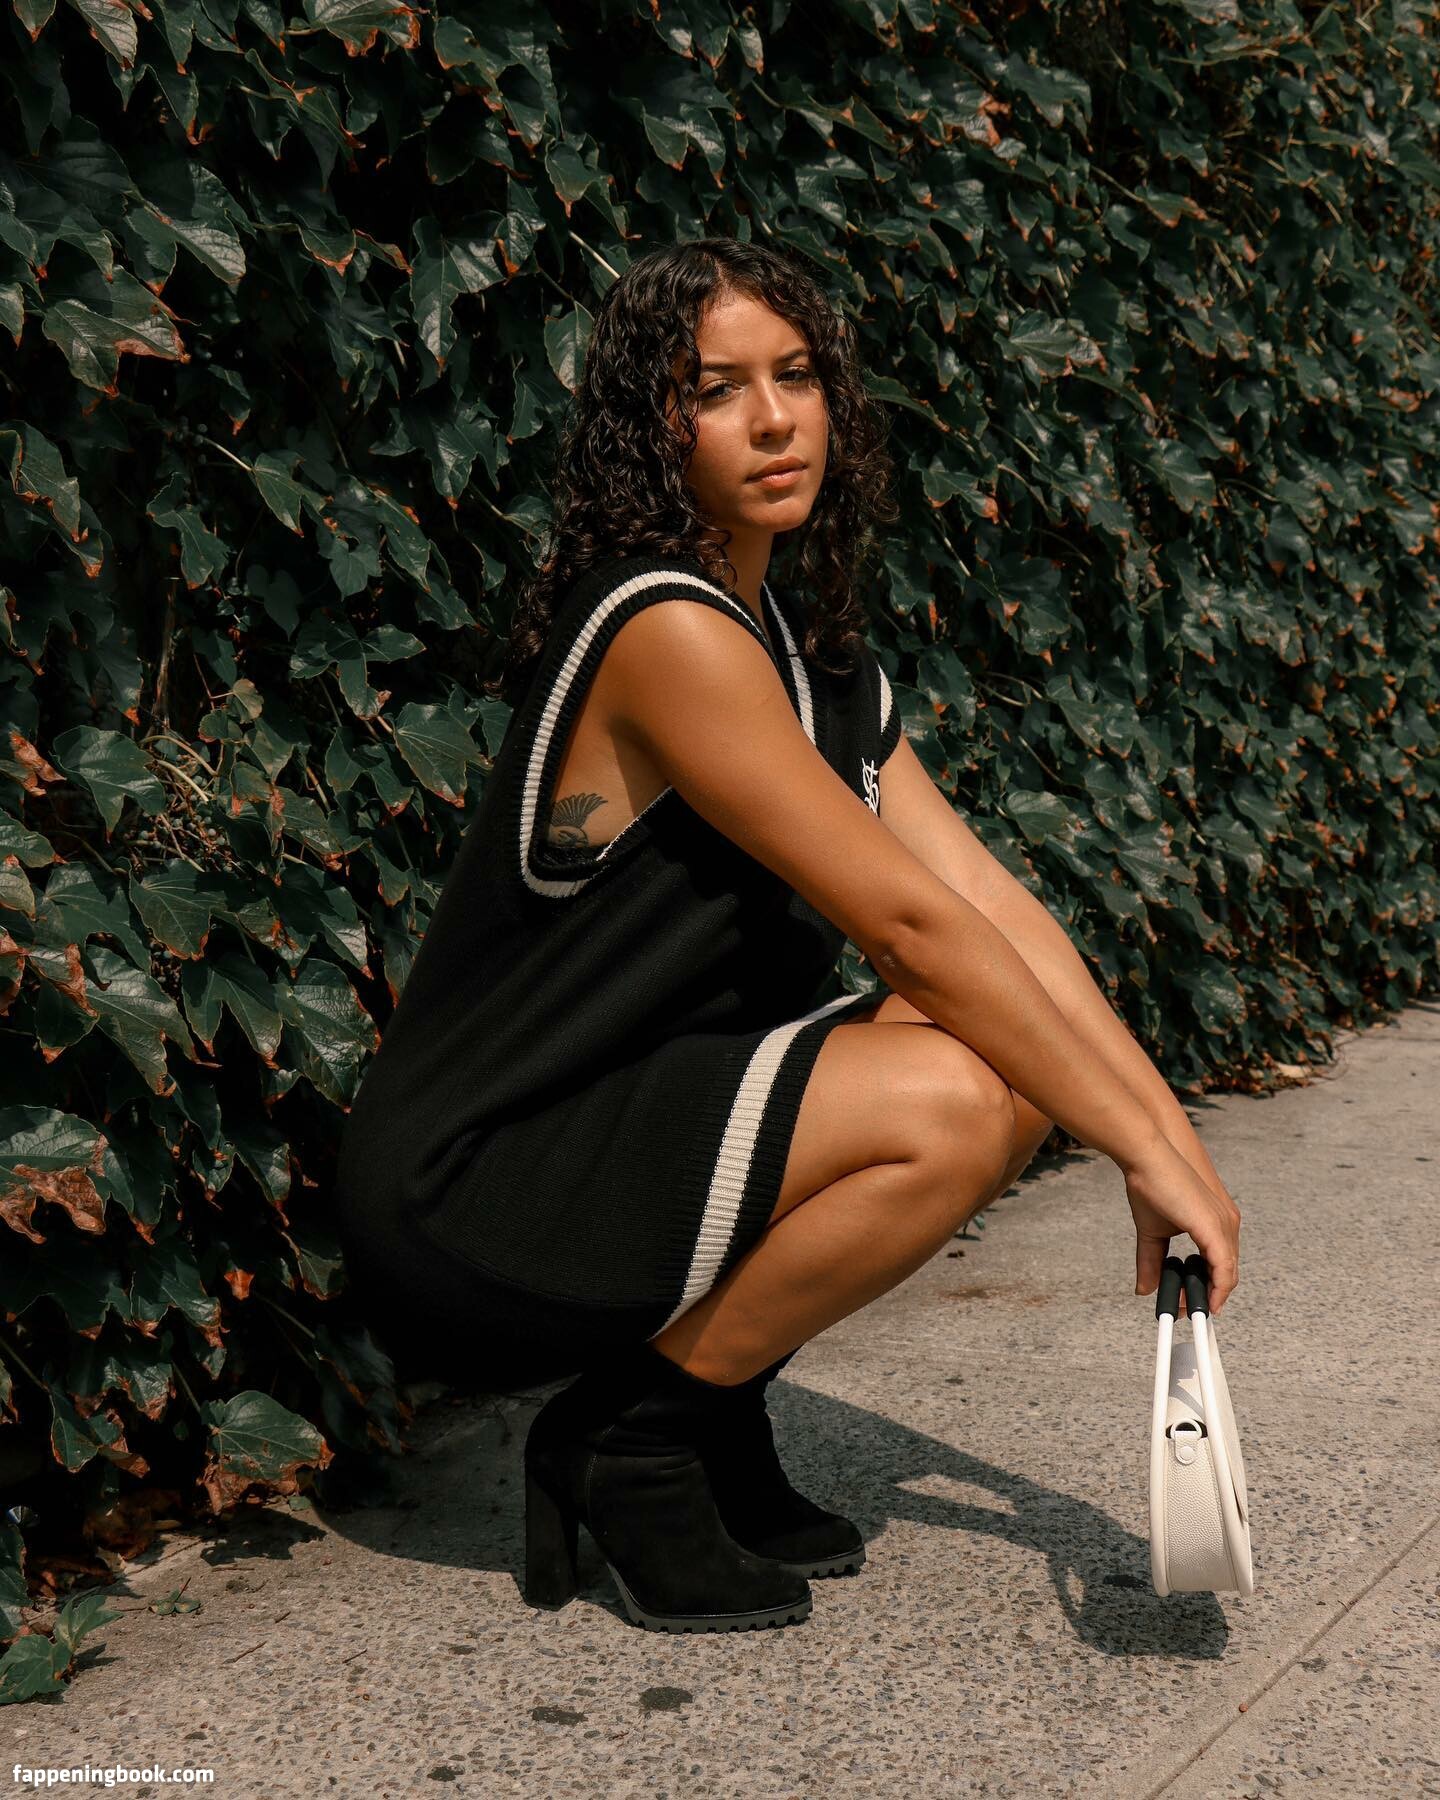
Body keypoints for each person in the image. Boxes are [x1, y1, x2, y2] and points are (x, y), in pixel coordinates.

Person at [332, 235, 1241, 1637]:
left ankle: (708, 1413)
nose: (772, 419)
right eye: (716, 389)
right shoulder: (665, 629)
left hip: (631, 1118)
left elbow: (994, 911)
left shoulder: (813, 662)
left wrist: (1172, 1148)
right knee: (955, 1094)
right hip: (482, 1182)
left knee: (1003, 1061)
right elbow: (910, 927)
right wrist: (1134, 1149)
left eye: (797, 375)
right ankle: (637, 1441)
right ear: (652, 427)